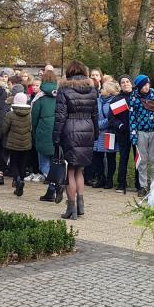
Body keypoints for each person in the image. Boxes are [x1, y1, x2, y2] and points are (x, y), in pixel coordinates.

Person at [53, 61, 99, 220]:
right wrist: (96, 134)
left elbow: (60, 116)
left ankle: (71, 208)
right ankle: (81, 205)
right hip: (87, 129)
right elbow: (95, 114)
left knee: (69, 171)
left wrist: (56, 137)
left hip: (70, 129)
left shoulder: (64, 89)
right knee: (80, 169)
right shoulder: (92, 89)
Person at [129, 75, 154, 196]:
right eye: (143, 85)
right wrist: (133, 134)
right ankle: (142, 186)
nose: (146, 87)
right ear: (138, 86)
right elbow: (131, 116)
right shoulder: (134, 97)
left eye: (148, 84)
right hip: (141, 131)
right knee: (142, 161)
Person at [32, 70, 61, 202]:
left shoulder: (39, 98)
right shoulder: (60, 96)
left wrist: (33, 133)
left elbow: (34, 118)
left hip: (43, 133)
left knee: (44, 164)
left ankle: (54, 185)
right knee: (56, 163)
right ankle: (52, 190)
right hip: (58, 133)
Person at [109, 75, 139, 195]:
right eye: (123, 82)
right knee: (123, 158)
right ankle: (121, 183)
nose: (126, 84)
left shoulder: (138, 97)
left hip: (137, 133)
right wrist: (120, 125)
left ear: (131, 83)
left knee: (138, 159)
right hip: (123, 133)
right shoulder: (116, 99)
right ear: (120, 85)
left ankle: (139, 184)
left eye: (127, 81)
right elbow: (111, 117)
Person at [2, 92, 33, 196]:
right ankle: (22, 181)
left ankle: (18, 180)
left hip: (13, 143)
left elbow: (4, 129)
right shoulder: (30, 114)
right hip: (26, 143)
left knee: (14, 163)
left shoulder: (10, 114)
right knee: (23, 164)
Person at [93, 80, 120, 189]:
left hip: (109, 133)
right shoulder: (97, 101)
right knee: (97, 156)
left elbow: (111, 119)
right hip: (97, 133)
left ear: (109, 92)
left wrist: (98, 125)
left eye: (103, 88)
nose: (101, 89)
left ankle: (109, 180)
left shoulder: (115, 102)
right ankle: (100, 178)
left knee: (110, 156)